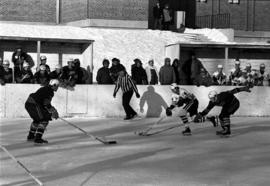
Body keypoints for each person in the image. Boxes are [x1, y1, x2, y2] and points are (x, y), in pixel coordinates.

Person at [25, 79, 60, 144]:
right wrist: (54, 112)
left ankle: (31, 136)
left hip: (29, 103)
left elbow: (43, 103)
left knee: (37, 119)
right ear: (54, 85)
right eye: (57, 86)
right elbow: (46, 104)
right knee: (44, 119)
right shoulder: (50, 91)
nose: (58, 88)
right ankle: (38, 138)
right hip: (34, 105)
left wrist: (52, 111)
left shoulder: (45, 88)